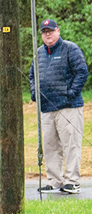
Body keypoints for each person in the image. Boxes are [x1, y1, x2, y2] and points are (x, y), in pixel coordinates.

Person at [29, 19, 88, 193]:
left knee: (70, 144)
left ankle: (72, 180)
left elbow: (82, 72)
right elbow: (32, 76)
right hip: (47, 108)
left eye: (50, 30)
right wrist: (35, 93)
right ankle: (55, 180)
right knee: (49, 145)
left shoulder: (70, 48)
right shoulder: (38, 53)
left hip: (68, 107)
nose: (47, 34)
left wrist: (70, 93)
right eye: (44, 31)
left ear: (58, 31)